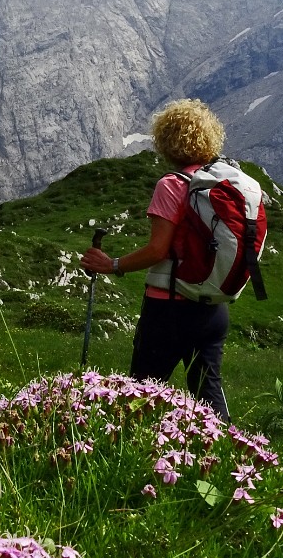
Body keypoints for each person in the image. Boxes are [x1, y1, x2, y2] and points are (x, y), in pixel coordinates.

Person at [81, 98, 232, 422]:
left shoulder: (172, 185)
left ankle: (135, 463)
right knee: (210, 397)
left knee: (140, 395)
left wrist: (113, 265)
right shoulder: (224, 184)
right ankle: (224, 462)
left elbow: (158, 250)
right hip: (213, 308)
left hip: (169, 311)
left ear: (167, 140)